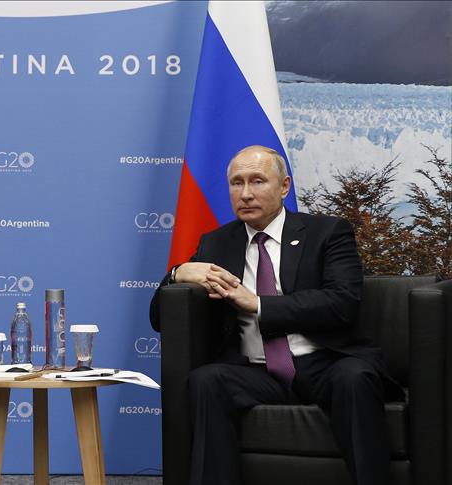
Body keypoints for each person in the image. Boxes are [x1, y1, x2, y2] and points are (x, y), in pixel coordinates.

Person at [150, 145, 400, 485]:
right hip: (256, 371)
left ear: (284, 187)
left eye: (257, 181)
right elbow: (160, 320)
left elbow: (342, 303)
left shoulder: (327, 232)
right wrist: (177, 273)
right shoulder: (217, 243)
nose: (246, 193)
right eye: (237, 183)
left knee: (354, 377)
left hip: (325, 363)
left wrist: (257, 304)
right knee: (206, 381)